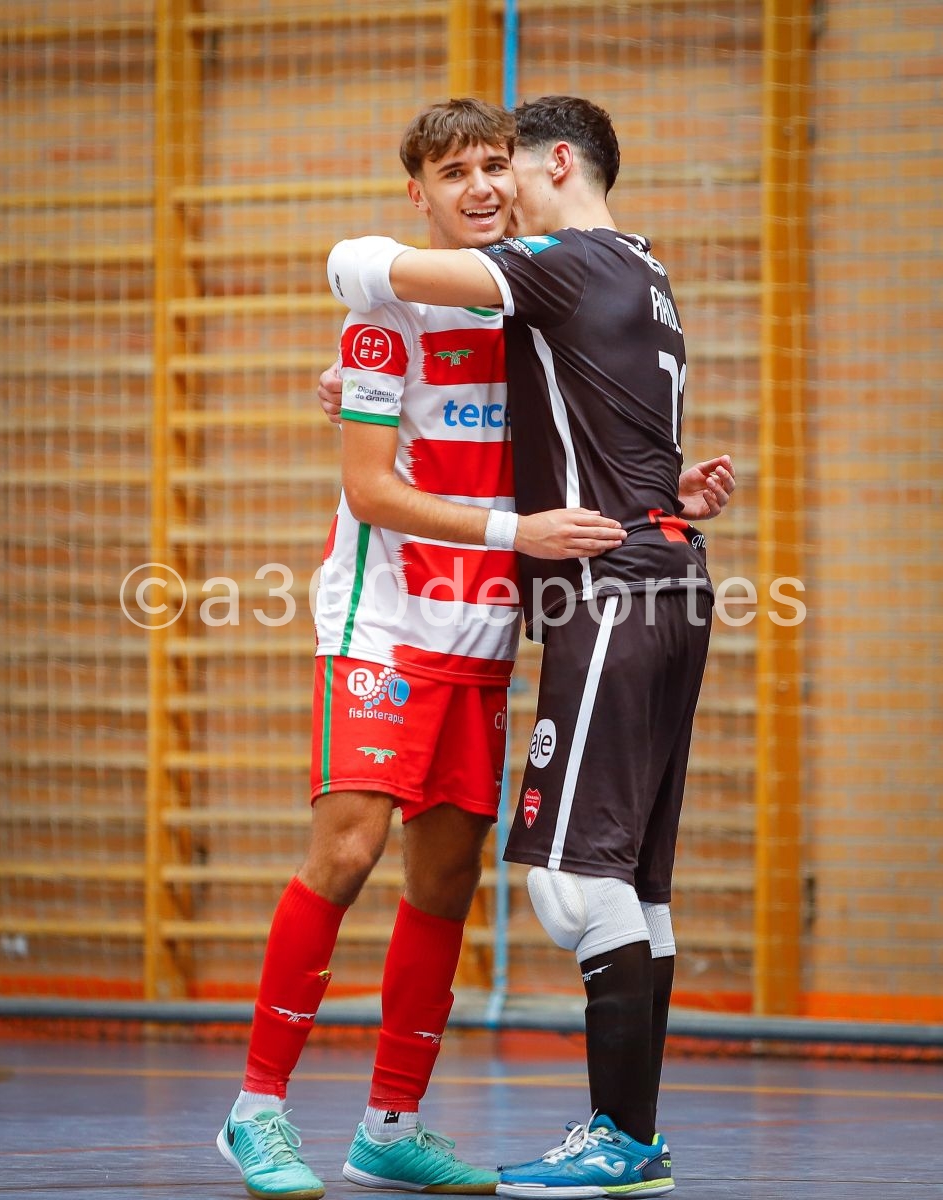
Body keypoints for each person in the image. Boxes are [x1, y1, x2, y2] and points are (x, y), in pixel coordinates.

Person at [217, 98, 630, 1200]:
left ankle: (388, 1126)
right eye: (455, 173)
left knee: (445, 879)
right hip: (384, 622)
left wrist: (668, 488)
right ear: (421, 194)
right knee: (348, 851)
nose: (482, 186)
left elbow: (575, 452)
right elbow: (369, 490)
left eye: (495, 165)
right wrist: (517, 532)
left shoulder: (538, 308)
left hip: (483, 630)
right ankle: (255, 1112)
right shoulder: (383, 312)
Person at [328, 94, 734, 1198]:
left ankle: (619, 1139)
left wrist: (362, 302)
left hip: (612, 589)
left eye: (505, 165)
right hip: (667, 576)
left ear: (558, 162)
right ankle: (633, 1140)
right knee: (636, 887)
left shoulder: (561, 260)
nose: (495, 188)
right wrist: (366, 392)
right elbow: (592, 419)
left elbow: (366, 267)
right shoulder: (645, 269)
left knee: (569, 879)